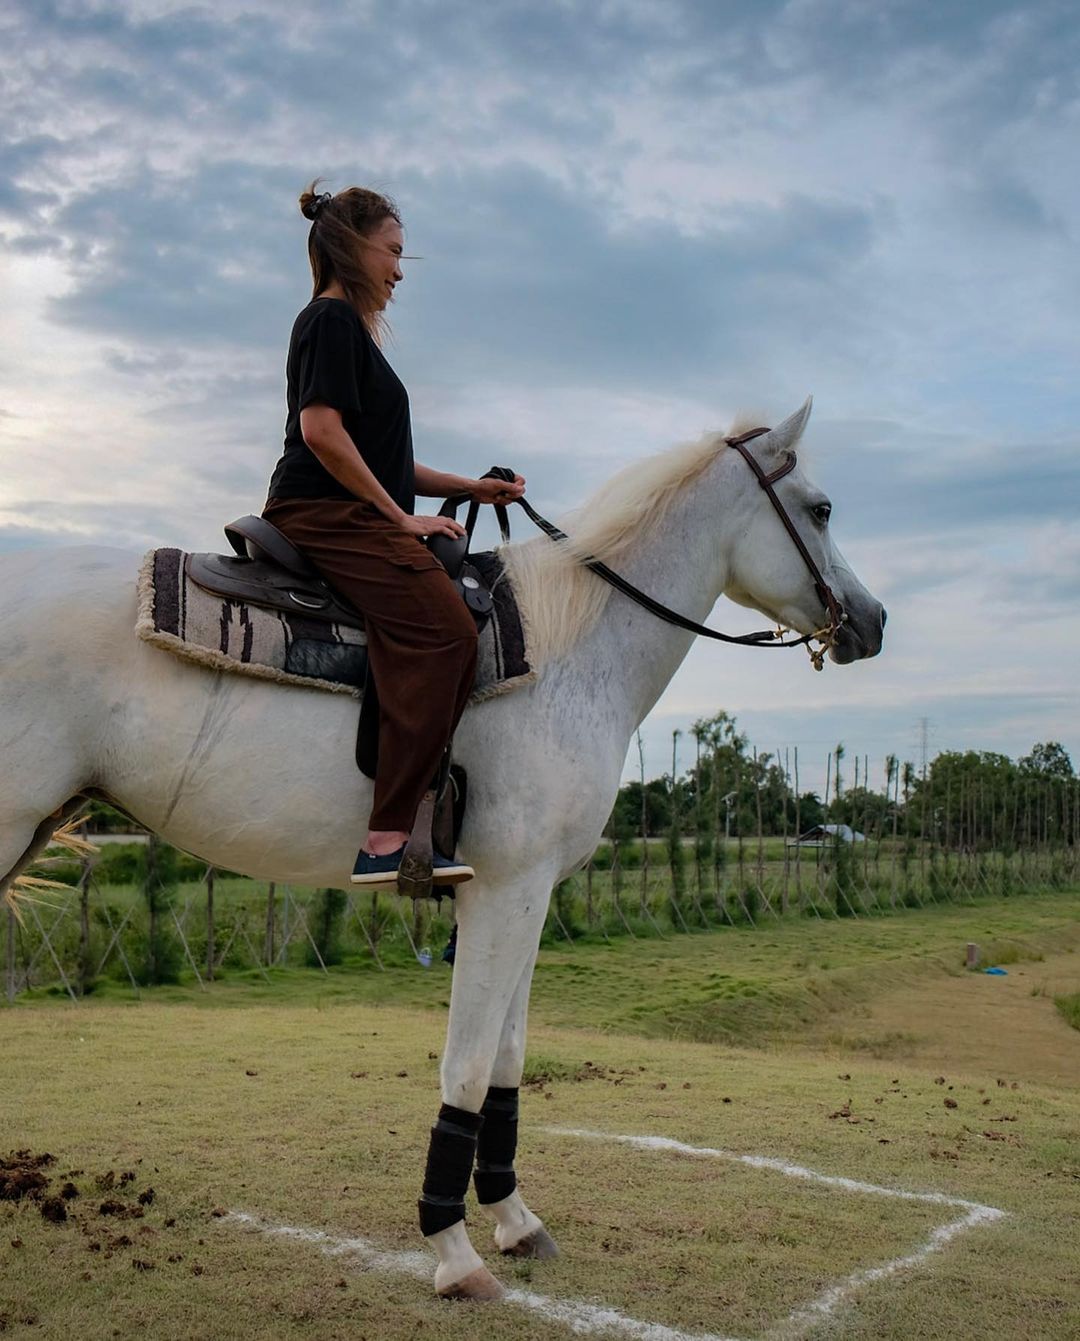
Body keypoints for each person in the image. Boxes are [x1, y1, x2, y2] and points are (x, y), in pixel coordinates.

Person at [262, 183, 524, 888]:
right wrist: (400, 517)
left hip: (347, 505)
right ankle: (388, 835)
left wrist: (469, 487)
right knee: (446, 631)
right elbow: (321, 433)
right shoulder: (330, 321)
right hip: (322, 511)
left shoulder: (347, 332)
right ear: (355, 245)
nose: (400, 272)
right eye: (394, 253)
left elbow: (386, 463)